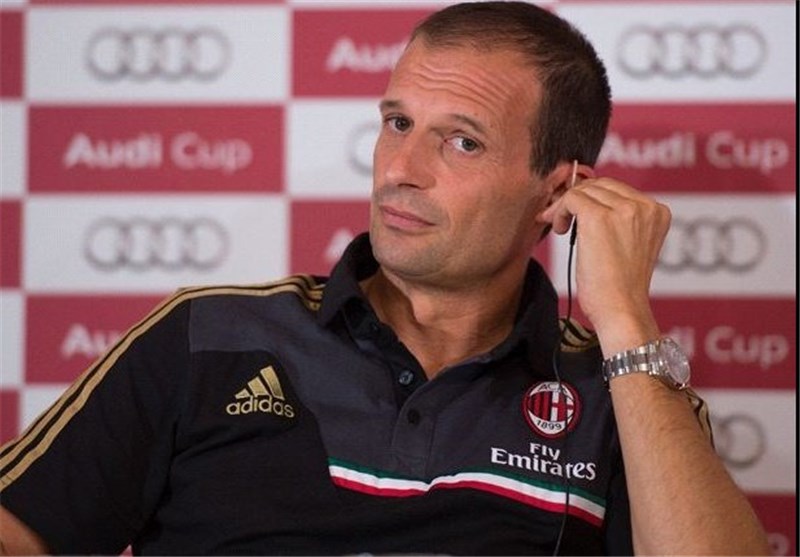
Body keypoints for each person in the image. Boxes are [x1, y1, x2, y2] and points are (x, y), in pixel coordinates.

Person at [0, 2, 770, 555]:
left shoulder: (622, 391)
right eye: (398, 123)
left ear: (557, 193)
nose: (401, 169)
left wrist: (626, 322)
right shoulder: (207, 336)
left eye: (461, 142)